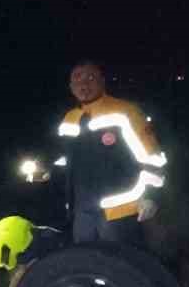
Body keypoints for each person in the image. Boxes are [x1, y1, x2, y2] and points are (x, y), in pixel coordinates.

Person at [58, 62, 165, 245]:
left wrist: (152, 197)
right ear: (71, 87)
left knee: (122, 260)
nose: (84, 84)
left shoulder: (125, 111)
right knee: (85, 259)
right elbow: (66, 161)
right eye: (77, 79)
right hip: (82, 210)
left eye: (90, 78)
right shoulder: (69, 118)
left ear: (102, 81)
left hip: (120, 207)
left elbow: (152, 157)